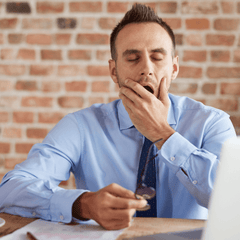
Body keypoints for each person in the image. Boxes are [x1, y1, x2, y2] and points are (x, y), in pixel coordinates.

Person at [0, 3, 236, 230]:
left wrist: (163, 135)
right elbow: (10, 189)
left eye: (157, 57)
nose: (147, 69)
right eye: (133, 58)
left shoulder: (211, 123)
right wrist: (83, 204)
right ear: (114, 71)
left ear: (174, 68)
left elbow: (233, 200)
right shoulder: (81, 126)